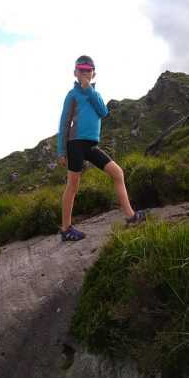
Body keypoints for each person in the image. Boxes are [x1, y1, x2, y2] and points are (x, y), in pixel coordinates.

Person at [57, 55, 143, 242]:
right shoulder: (72, 95)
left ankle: (130, 216)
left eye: (88, 70)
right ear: (75, 73)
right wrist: (61, 151)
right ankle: (65, 229)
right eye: (82, 70)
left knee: (117, 173)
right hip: (75, 144)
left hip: (90, 145)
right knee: (72, 186)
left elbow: (103, 112)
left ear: (94, 73)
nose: (85, 73)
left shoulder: (94, 94)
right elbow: (64, 123)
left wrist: (88, 90)